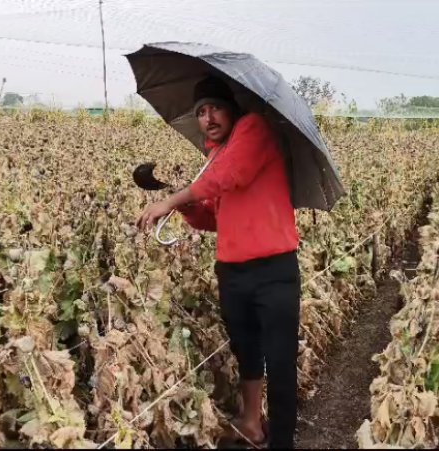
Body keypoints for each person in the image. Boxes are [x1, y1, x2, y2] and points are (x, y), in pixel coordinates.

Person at [136, 75, 301, 449]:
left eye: (215, 108)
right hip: (233, 271)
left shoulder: (255, 128)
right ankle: (252, 423)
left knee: (279, 361)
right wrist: (187, 208)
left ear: (232, 109)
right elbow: (215, 217)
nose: (208, 117)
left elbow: (232, 176)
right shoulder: (215, 154)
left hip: (274, 271)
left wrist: (172, 200)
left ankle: (283, 442)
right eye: (201, 112)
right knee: (247, 352)